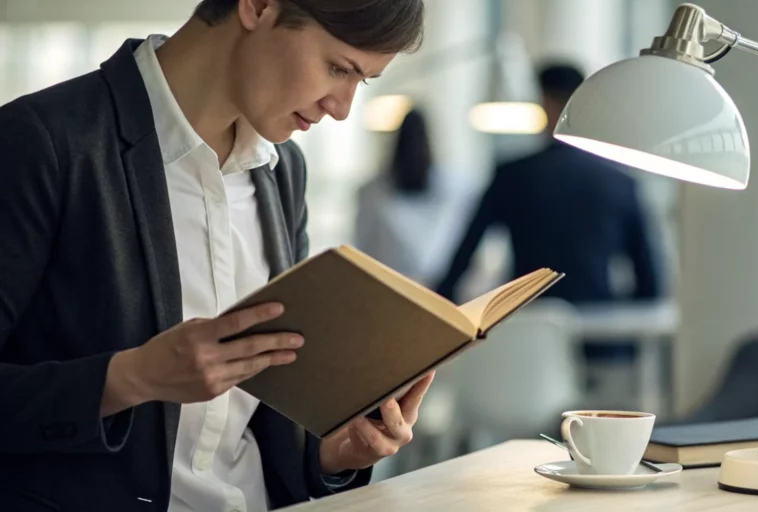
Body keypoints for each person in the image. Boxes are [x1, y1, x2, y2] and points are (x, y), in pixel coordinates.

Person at [0, 1, 432, 510]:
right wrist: (130, 377)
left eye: (362, 81)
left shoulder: (281, 170)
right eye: (339, 68)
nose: (340, 107)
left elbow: (264, 407)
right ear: (258, 6)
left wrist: (331, 454)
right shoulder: (40, 142)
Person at [435, 63, 662, 402]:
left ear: (544, 101)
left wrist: (438, 311)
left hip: (526, 346)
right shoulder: (620, 184)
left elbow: (462, 257)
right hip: (603, 349)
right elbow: (651, 280)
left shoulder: (512, 176)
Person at [354, 109, 476, 287]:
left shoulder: (451, 189)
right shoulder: (372, 193)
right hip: (398, 284)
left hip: (392, 284)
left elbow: (363, 244)